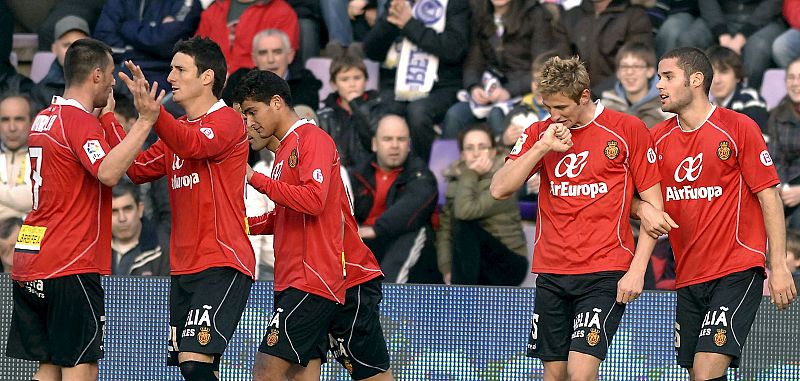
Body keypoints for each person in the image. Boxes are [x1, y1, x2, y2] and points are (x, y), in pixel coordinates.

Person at [490, 56, 665, 380]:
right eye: (548, 107)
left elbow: (655, 210)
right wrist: (542, 147)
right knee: (555, 374)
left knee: (581, 372)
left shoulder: (628, 129)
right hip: (552, 269)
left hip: (604, 270)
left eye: (561, 108)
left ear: (584, 96)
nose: (554, 116)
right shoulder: (540, 133)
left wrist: (637, 272)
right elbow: (499, 188)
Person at [5, 38, 160, 381]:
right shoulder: (78, 122)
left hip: (33, 258)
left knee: (49, 365)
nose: (111, 85)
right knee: (81, 365)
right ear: (95, 76)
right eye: (109, 78)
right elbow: (108, 171)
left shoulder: (44, 119)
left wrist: (105, 120)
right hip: (70, 261)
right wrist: (144, 122)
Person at [638, 46, 797, 380]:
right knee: (702, 372)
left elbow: (770, 197)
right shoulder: (656, 139)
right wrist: (643, 210)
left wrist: (778, 265)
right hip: (689, 274)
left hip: (737, 268)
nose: (659, 86)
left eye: (668, 77)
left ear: (696, 80)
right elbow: (629, 197)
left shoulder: (738, 127)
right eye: (659, 78)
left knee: (705, 370)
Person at [232, 77, 393, 378]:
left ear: (277, 103)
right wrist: (239, 225)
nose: (247, 123)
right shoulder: (282, 154)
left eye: (252, 112)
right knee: (309, 374)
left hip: (321, 278)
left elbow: (314, 200)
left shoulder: (311, 138)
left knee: (267, 372)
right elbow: (290, 215)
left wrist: (253, 178)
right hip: (312, 279)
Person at [117, 37, 255, 380]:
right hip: (183, 268)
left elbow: (192, 145)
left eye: (180, 69)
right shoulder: (176, 132)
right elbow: (133, 170)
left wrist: (155, 114)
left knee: (194, 363)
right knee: (193, 367)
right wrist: (108, 117)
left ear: (207, 77)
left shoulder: (227, 121)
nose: (171, 77)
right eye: (171, 69)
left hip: (221, 261)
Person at [362, 0, 470, 162]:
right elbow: (371, 51)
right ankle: (380, 176)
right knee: (383, 111)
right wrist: (389, 24)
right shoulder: (398, 3)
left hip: (442, 86)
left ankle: (420, 174)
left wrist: (410, 24)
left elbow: (453, 49)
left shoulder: (455, 4)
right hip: (397, 85)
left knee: (418, 113)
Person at [441, 0, 557, 139]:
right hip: (489, 87)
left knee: (496, 115)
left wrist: (509, 91)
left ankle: (501, 158)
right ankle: (456, 162)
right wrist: (474, 87)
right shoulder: (480, 13)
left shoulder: (536, 14)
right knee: (455, 116)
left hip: (524, 91)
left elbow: (542, 67)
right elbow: (473, 61)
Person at [350, 114, 441, 284]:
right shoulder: (356, 174)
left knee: (418, 231)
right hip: (362, 244)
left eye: (401, 139)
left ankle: (390, 299)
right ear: (374, 144)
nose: (394, 145)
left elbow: (414, 203)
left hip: (399, 244)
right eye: (387, 139)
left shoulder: (421, 174)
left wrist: (377, 229)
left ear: (408, 145)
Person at [437, 124, 528, 286]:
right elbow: (445, 229)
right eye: (470, 148)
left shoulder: (504, 178)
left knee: (463, 224)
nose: (476, 153)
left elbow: (464, 212)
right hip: (474, 262)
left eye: (482, 147)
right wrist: (446, 267)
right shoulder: (456, 181)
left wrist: (470, 174)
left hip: (509, 262)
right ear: (463, 155)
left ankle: (463, 297)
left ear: (493, 152)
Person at [93, 0, 203, 92]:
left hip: (162, 76)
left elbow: (164, 42)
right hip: (120, 70)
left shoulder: (187, 2)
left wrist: (126, 26)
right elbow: (104, 41)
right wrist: (151, 38)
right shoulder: (119, 2)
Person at [552, 0, 653, 95]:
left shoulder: (635, 16)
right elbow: (561, 63)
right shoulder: (569, 18)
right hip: (576, 97)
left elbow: (636, 64)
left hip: (618, 97)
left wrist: (595, 95)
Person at [317, 43, 384, 170]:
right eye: (345, 79)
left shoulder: (378, 108)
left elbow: (375, 144)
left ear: (366, 81)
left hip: (369, 175)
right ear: (334, 84)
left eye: (357, 78)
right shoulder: (324, 115)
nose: (352, 84)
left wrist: (357, 105)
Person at [222, 29, 321, 111]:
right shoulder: (239, 80)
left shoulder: (305, 81)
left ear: (290, 56)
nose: (271, 59)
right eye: (263, 53)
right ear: (254, 59)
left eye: (277, 52)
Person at [195, 0, 299, 74]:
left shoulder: (282, 12)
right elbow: (198, 53)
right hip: (213, 84)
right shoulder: (213, 9)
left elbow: (279, 61)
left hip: (257, 86)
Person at [601, 42, 671, 128]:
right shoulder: (605, 106)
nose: (629, 72)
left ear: (650, 71)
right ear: (618, 73)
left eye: (636, 66)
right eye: (624, 66)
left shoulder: (666, 108)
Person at [29, 15, 91, 112]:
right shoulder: (40, 92)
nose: (73, 51)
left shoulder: (109, 83)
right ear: (54, 49)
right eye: (67, 45)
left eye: (80, 44)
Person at [111, 179, 170, 276]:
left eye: (127, 209)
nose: (122, 218)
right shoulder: (94, 252)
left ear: (140, 209)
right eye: (114, 211)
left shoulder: (164, 249)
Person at [706, 45, 769, 132]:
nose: (716, 80)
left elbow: (761, 142)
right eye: (711, 74)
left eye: (723, 72)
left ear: (737, 76)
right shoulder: (706, 107)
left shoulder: (751, 101)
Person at [768, 57, 800, 230]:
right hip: (788, 187)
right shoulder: (777, 114)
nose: (795, 83)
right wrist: (781, 187)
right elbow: (775, 158)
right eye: (791, 77)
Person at [0, 95, 34, 220]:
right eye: (5, 120)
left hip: (31, 237)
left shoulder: (45, 157)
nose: (12, 128)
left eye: (19, 119)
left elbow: (36, 199)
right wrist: (23, 213)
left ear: (31, 122)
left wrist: (19, 223)